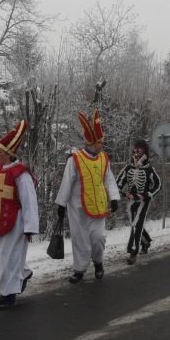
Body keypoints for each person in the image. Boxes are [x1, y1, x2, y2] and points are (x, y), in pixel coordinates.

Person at [0, 120, 39, 309]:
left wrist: (30, 227)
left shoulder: (21, 173)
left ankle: (8, 294)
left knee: (9, 258)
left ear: (9, 153)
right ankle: (24, 272)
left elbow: (29, 201)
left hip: (16, 221)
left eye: (0, 151)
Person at [55, 110, 120, 283]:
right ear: (91, 143)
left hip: (98, 204)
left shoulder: (104, 159)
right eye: (100, 142)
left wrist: (114, 197)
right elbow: (67, 183)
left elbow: (109, 179)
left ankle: (98, 262)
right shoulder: (74, 160)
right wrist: (61, 205)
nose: (102, 145)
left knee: (98, 237)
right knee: (80, 239)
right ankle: (79, 269)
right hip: (78, 209)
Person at [115, 139, 161, 265]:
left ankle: (133, 252)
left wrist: (148, 194)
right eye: (136, 148)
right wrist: (123, 193)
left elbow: (157, 184)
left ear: (145, 151)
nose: (137, 151)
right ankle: (145, 241)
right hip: (131, 201)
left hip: (142, 201)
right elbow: (118, 183)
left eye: (140, 149)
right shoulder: (128, 168)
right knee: (135, 223)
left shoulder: (148, 169)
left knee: (136, 224)